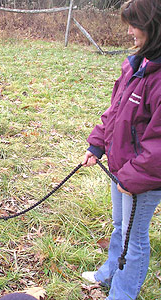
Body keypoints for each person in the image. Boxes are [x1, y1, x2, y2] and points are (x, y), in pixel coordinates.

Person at [81, 0, 161, 299]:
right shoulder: (136, 65)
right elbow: (116, 112)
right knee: (120, 227)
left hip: (142, 178)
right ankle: (109, 274)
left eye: (135, 24)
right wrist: (97, 144)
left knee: (134, 237)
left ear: (154, 27)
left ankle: (122, 294)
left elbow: (159, 145)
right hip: (123, 169)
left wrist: (132, 178)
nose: (129, 31)